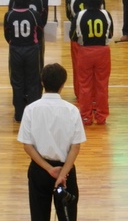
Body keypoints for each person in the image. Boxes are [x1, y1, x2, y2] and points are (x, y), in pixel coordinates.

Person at [17, 63, 86, 221]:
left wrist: (49, 169)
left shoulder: (31, 109)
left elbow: (27, 146)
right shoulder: (72, 110)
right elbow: (75, 147)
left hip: (39, 170)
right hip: (66, 171)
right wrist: (62, 174)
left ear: (42, 82)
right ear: (63, 84)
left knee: (39, 217)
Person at [72, 0, 113, 125]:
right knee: (102, 85)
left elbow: (73, 35)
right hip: (103, 52)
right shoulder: (106, 14)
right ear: (101, 0)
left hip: (85, 52)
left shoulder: (79, 15)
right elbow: (111, 34)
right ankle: (101, 116)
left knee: (84, 85)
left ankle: (85, 117)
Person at [4, 0, 42, 123]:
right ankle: (33, 113)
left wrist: (15, 43)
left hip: (15, 50)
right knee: (32, 82)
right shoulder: (34, 14)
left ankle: (19, 114)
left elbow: (7, 35)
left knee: (17, 82)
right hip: (31, 49)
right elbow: (40, 30)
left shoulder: (9, 15)